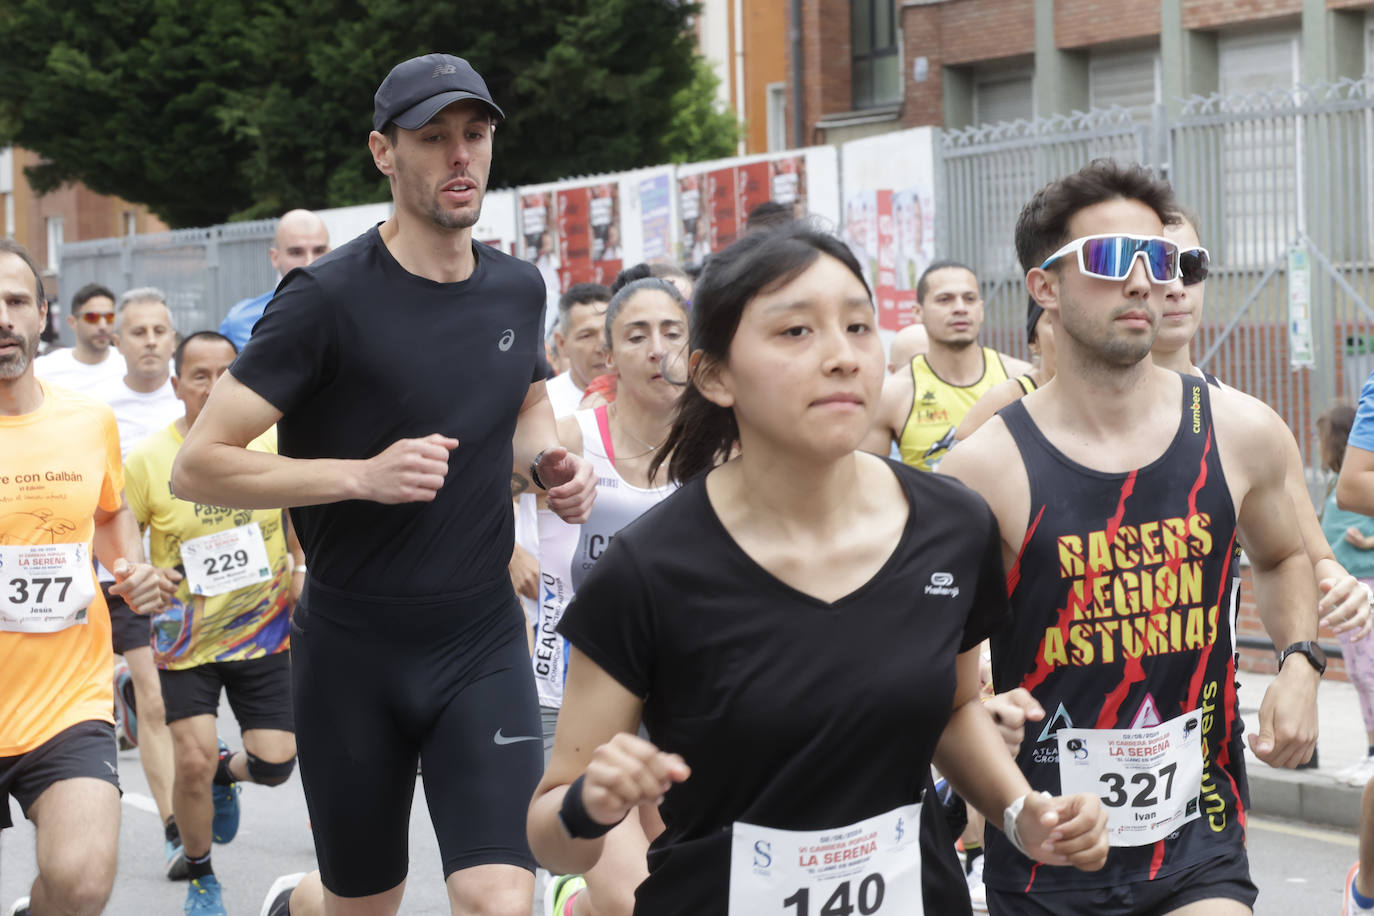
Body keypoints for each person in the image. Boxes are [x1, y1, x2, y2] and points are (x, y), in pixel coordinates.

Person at [527, 223, 1109, 915]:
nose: (841, 357)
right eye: (795, 332)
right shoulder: (648, 569)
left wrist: (1020, 813)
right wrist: (590, 805)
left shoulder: (952, 526)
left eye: (859, 327)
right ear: (714, 375)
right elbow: (551, 835)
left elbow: (952, 711)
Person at [171, 53, 597, 916]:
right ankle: (300, 904)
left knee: (500, 899)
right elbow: (200, 462)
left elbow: (526, 415)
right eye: (432, 138)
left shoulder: (517, 288)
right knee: (366, 903)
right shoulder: (323, 299)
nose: (459, 157)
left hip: (479, 637)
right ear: (382, 152)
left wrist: (554, 465)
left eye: (473, 135)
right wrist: (359, 477)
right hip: (352, 648)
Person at [941, 160, 1324, 916]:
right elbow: (945, 696)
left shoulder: (1237, 431)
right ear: (1044, 286)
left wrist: (1302, 664)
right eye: (1114, 260)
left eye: (1159, 258)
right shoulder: (985, 468)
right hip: (1050, 851)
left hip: (1198, 834)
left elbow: (1281, 556)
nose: (1145, 281)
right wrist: (1011, 797)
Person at [0, 238, 175, 916]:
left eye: (15, 301)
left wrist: (129, 572)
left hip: (65, 702)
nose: (3, 318)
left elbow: (108, 515)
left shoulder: (87, 420)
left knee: (80, 884)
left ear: (42, 314)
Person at [124, 331, 301, 916]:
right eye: (200, 374)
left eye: (228, 371)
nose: (215, 383)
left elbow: (299, 516)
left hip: (264, 632)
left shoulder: (274, 441)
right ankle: (202, 876)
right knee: (190, 759)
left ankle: (231, 771)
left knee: (277, 764)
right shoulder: (150, 459)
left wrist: (301, 568)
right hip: (186, 638)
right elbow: (123, 542)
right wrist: (141, 576)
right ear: (176, 386)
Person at [533, 278, 687, 916]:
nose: (658, 350)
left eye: (673, 333)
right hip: (574, 694)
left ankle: (575, 908)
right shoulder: (570, 438)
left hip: (682, 696)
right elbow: (478, 504)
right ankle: (578, 894)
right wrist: (509, 551)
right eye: (637, 335)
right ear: (610, 355)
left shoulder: (725, 450)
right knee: (632, 900)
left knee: (682, 885)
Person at [96, 285, 187, 878]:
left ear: (172, 338)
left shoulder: (203, 392)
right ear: (117, 340)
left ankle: (218, 770)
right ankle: (175, 827)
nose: (150, 341)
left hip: (210, 575)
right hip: (134, 576)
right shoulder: (98, 412)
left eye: (159, 330)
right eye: (138, 331)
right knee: (155, 705)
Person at [861, 260, 1031, 471]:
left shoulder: (1020, 379)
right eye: (945, 299)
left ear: (981, 310)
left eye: (969, 299)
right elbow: (870, 484)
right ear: (917, 312)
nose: (960, 308)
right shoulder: (892, 394)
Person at [1314, 406, 1374, 789]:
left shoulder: (1358, 483)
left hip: (1365, 587)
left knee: (1369, 674)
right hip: (1346, 588)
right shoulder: (1338, 483)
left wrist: (1369, 541)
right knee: (1359, 674)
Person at [217, 211, 330, 350]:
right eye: (296, 252)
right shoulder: (238, 322)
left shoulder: (354, 312)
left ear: (331, 252)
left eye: (319, 250)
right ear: (275, 258)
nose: (310, 262)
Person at [955, 298, 1057, 441]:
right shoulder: (1008, 399)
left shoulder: (1097, 400)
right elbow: (957, 456)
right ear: (1034, 341)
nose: (1070, 333)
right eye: (1055, 321)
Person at [33, 283, 126, 394]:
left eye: (110, 317)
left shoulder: (128, 364)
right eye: (92, 317)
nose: (103, 326)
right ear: (72, 322)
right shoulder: (44, 370)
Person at [547, 283, 612, 416]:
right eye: (587, 336)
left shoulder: (643, 395)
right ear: (561, 344)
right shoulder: (543, 409)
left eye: (609, 333)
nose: (603, 347)